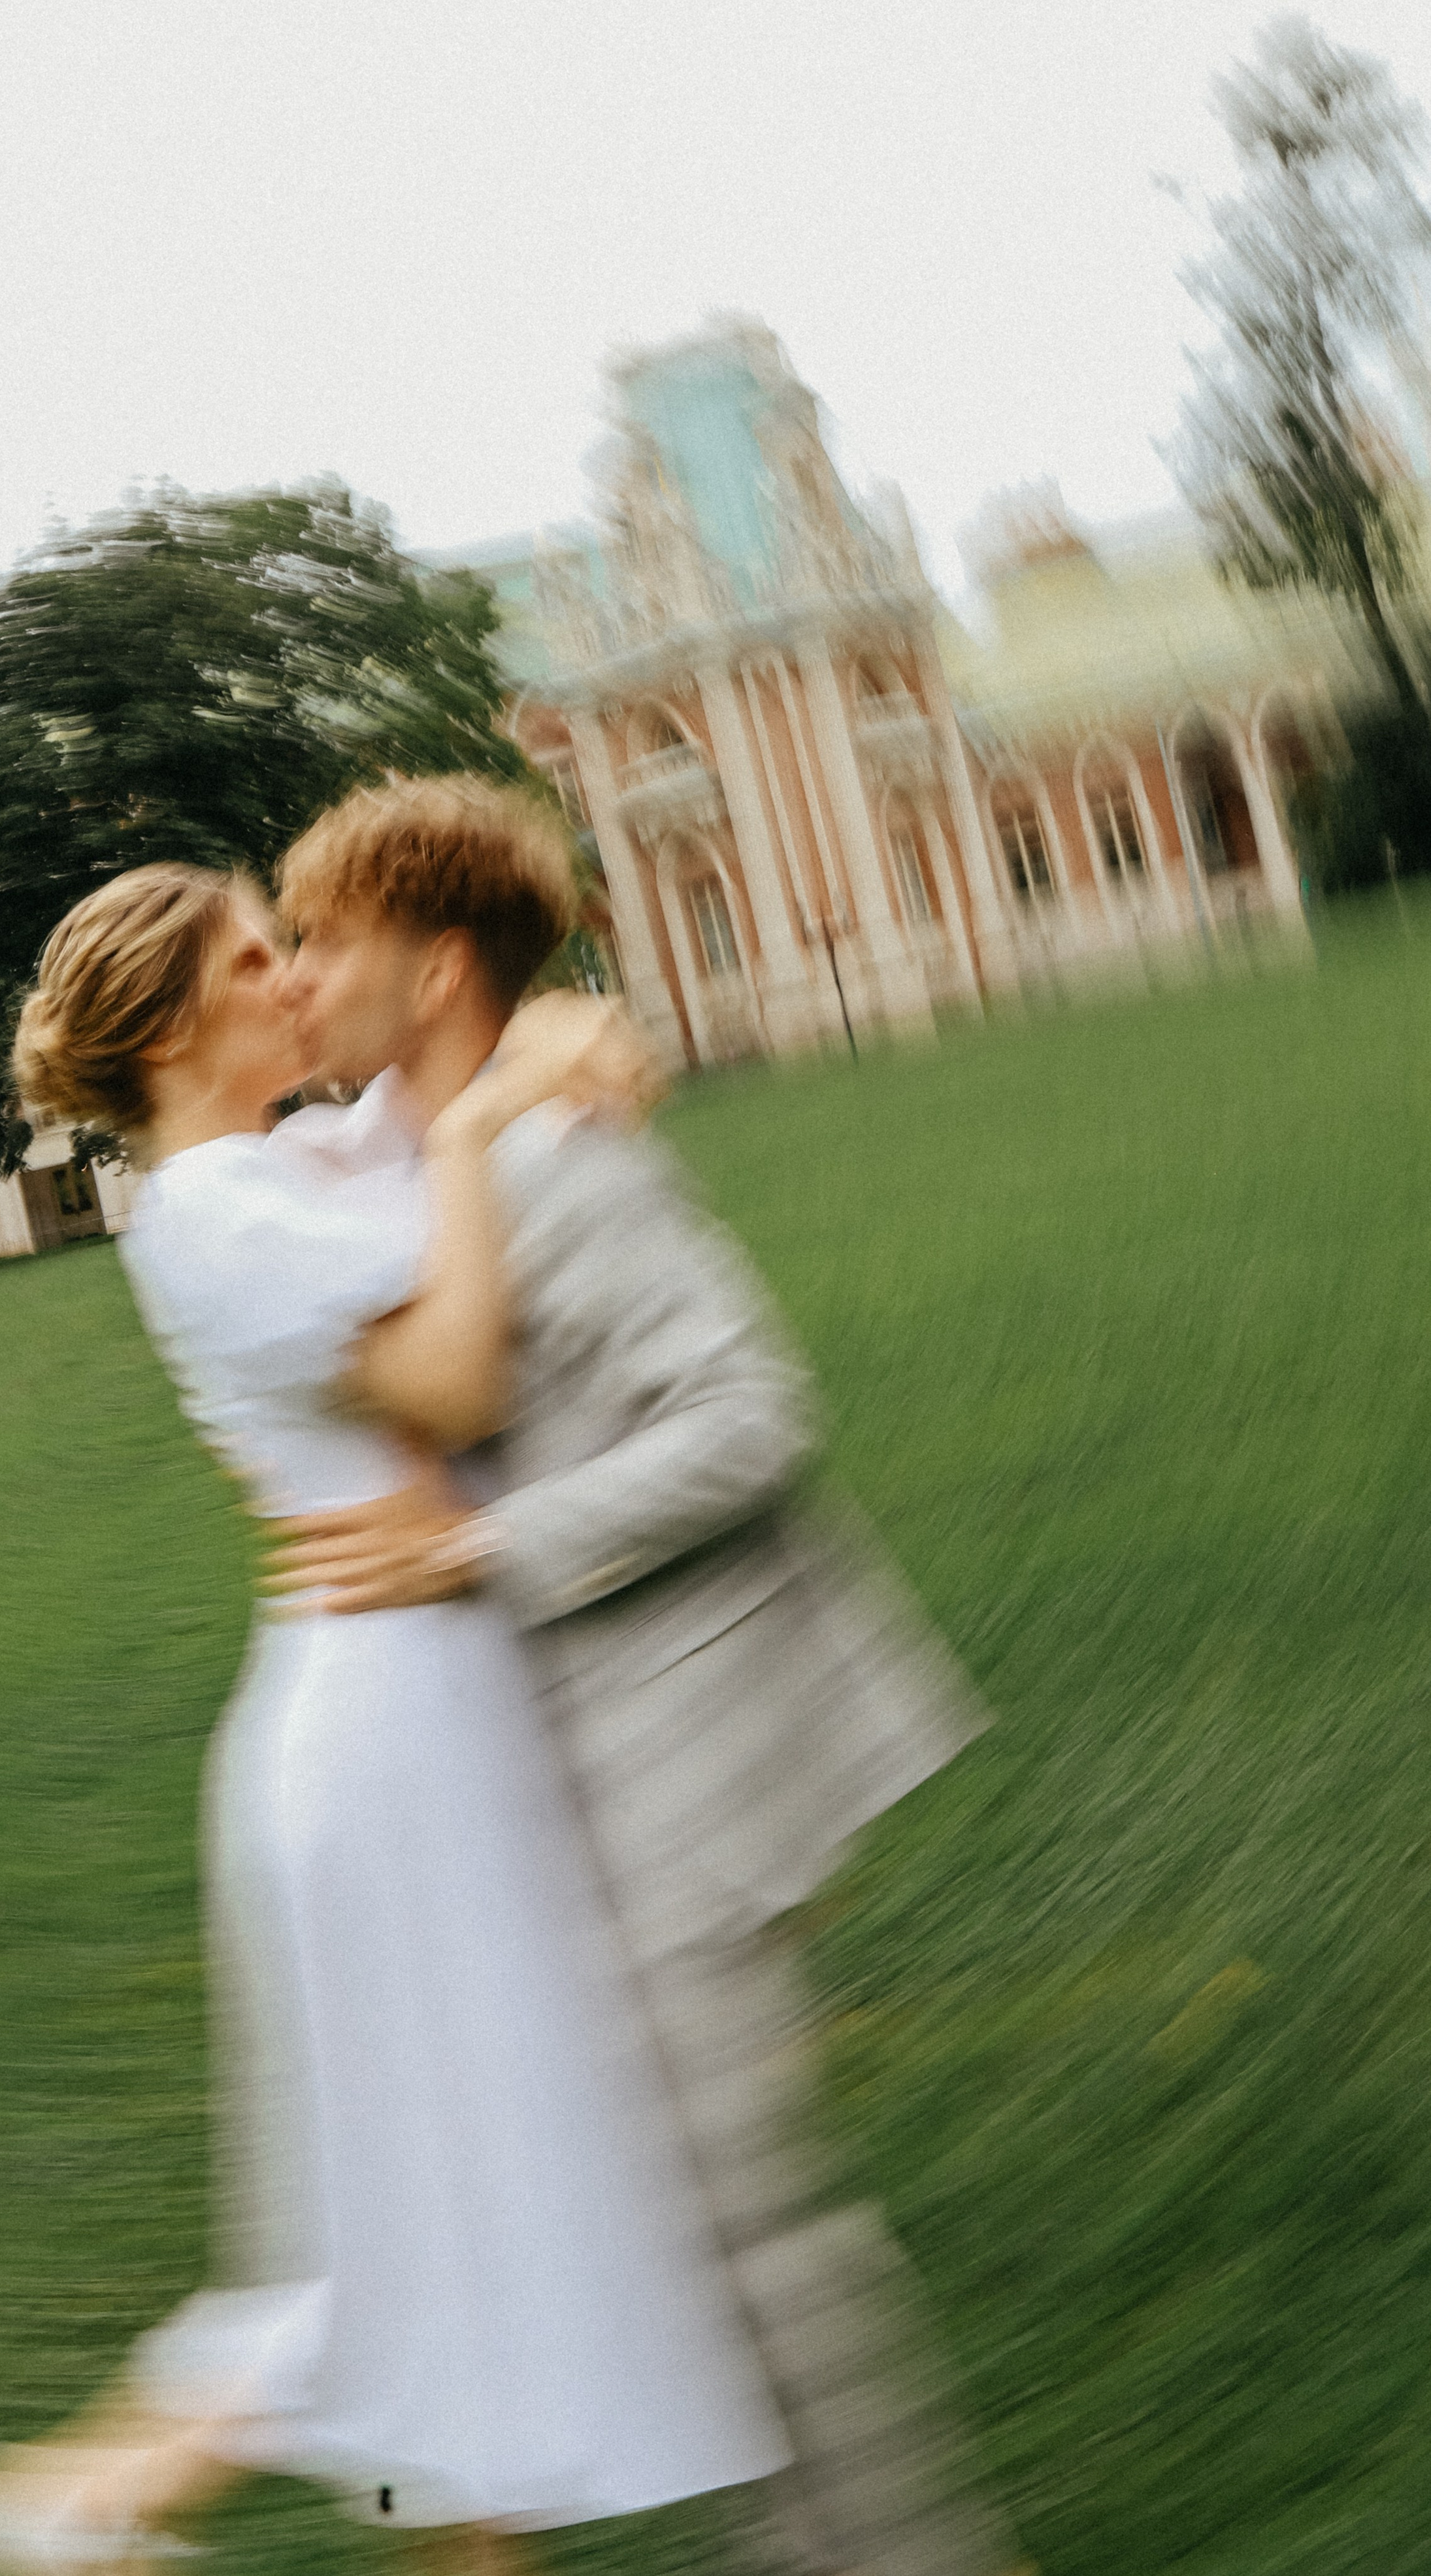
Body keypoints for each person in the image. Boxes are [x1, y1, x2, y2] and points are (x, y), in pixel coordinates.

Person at [0, 856, 791, 2572]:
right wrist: (482, 1128)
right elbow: (453, 1382)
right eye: (257, 959)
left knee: (472, 2223)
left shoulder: (291, 1158)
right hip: (385, 1737)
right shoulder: (212, 1212)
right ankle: (78, 2503)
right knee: (428, 2232)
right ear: (173, 1027)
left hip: (433, 1705)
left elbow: (463, 1074)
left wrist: (550, 1042)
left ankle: (122, 2504)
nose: (298, 978)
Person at [261, 777, 1011, 2576]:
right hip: (566, 1770)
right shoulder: (405, 1153)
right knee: (666, 2214)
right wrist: (559, 1031)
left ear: (440, 970)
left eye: (325, 942)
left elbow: (753, 1417)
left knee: (730, 2215)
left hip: (700, 1743)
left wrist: (485, 1549)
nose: (296, 979)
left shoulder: (570, 1169)